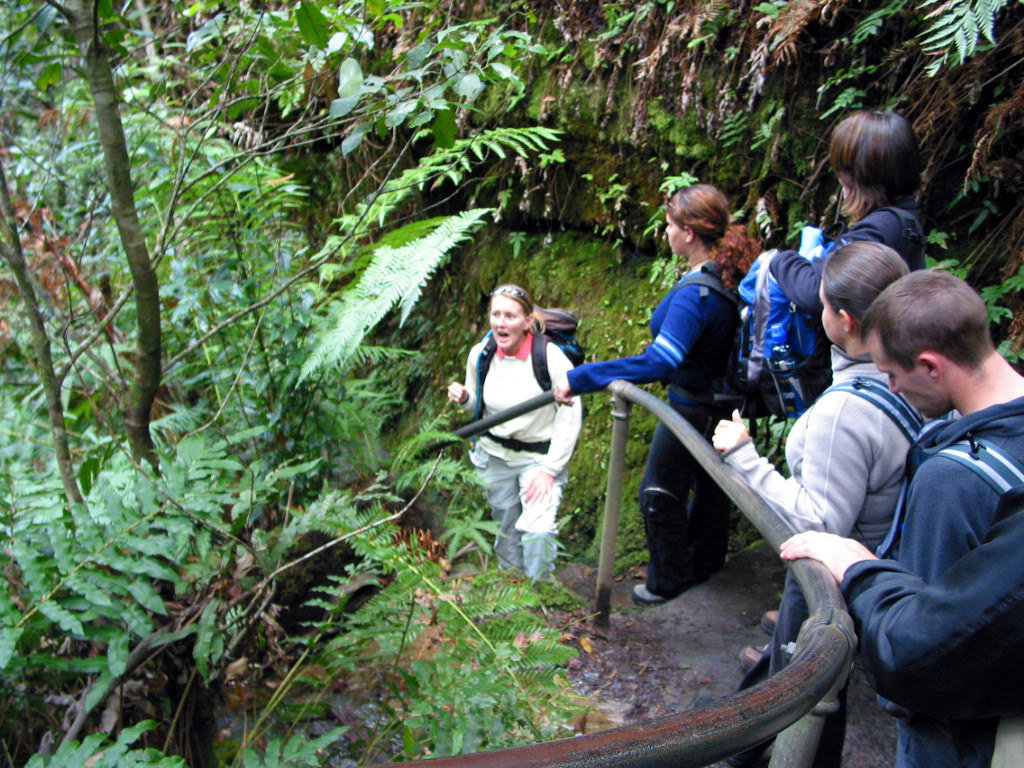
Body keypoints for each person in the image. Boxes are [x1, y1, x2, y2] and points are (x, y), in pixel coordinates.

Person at [781, 269, 1024, 768]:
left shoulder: (955, 480)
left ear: (932, 367)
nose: (890, 387)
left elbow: (925, 645)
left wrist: (858, 567)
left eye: (891, 373)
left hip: (955, 734)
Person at [711, 241, 917, 768]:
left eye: (820, 305)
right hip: (884, 566)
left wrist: (745, 458)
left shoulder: (845, 412)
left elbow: (819, 522)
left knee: (806, 692)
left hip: (830, 583)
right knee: (812, 687)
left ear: (844, 319)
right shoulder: (913, 379)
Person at [552, 183, 761, 605]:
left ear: (688, 233)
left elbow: (659, 362)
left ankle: (668, 581)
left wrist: (582, 377)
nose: (664, 232)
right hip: (725, 405)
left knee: (659, 492)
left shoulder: (695, 294)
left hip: (693, 407)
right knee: (711, 490)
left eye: (669, 225)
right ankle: (705, 565)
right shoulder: (730, 274)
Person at [447, 284, 582, 580]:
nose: (500, 322)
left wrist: (550, 470)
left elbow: (570, 418)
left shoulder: (550, 358)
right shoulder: (481, 355)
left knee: (538, 529)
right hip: (494, 456)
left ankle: (539, 588)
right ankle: (512, 586)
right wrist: (465, 400)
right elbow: (476, 409)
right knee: (505, 525)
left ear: (527, 321)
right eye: (496, 314)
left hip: (538, 461)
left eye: (510, 316)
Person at [770, 109, 925, 315]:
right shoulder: (902, 221)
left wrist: (779, 260)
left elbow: (817, 292)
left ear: (854, 175)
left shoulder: (876, 231)